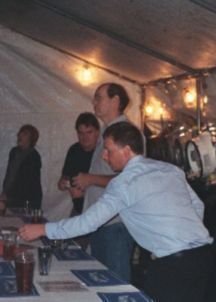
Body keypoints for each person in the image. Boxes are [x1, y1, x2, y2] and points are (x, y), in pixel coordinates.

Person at [20, 122, 213, 302]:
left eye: (108, 150)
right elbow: (198, 206)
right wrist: (186, 236)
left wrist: (43, 229)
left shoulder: (123, 183)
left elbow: (88, 223)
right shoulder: (169, 169)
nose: (104, 155)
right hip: (203, 258)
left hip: (172, 266)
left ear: (127, 151)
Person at [69, 83, 135, 282]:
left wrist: (90, 179)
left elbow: (130, 180)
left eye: (99, 97)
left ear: (115, 101)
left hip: (116, 225)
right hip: (101, 221)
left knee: (116, 284)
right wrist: (85, 188)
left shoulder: (126, 133)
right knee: (102, 282)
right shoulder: (108, 133)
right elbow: (105, 178)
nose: (94, 102)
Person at [58, 112, 100, 216]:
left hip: (99, 213)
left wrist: (84, 194)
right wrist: (63, 183)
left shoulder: (103, 152)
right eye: (80, 133)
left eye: (89, 132)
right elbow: (64, 178)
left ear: (97, 132)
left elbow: (112, 184)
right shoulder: (74, 150)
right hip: (78, 210)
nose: (84, 137)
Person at [0, 124, 42, 211]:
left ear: (32, 139)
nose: (20, 135)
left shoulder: (33, 156)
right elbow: (9, 175)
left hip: (28, 201)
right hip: (12, 198)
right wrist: (4, 191)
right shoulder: (14, 152)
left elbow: (27, 182)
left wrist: (8, 197)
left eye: (25, 134)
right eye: (20, 133)